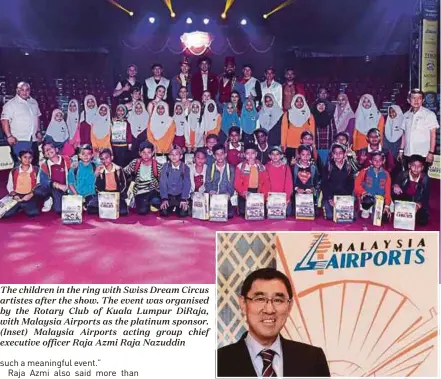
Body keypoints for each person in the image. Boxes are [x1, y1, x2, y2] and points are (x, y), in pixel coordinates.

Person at [217, 268, 330, 377]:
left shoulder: (313, 359)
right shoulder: (216, 363)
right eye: (260, 299)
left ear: (289, 306)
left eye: (278, 300)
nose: (269, 310)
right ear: (243, 304)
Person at [1, 82, 42, 166]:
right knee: (19, 166)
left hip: (33, 140)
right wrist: (9, 136)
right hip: (18, 140)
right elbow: (4, 120)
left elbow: (37, 117)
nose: (25, 92)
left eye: (27, 90)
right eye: (22, 90)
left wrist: (38, 131)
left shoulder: (34, 102)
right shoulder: (10, 104)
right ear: (17, 90)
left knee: (34, 165)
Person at [399, 89, 439, 172]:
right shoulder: (405, 115)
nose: (416, 101)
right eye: (413, 98)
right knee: (408, 178)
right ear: (409, 100)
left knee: (421, 180)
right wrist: (401, 150)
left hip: (423, 154)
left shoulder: (429, 114)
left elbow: (433, 135)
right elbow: (404, 134)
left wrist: (431, 153)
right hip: (408, 153)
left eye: (419, 98)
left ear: (423, 100)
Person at [124, 141, 162, 215]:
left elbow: (163, 181)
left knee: (156, 203)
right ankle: (143, 203)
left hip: (153, 190)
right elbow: (123, 172)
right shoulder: (135, 163)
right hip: (140, 191)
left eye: (149, 152)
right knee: (142, 211)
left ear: (153, 152)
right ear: (139, 153)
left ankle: (152, 202)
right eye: (143, 153)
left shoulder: (157, 165)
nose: (146, 155)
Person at [393, 154, 430, 226]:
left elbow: (426, 196)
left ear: (422, 167)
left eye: (419, 166)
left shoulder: (425, 178)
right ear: (409, 166)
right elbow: (395, 183)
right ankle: (399, 209)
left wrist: (418, 205)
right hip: (405, 200)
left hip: (417, 201)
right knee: (394, 191)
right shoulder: (403, 174)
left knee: (422, 221)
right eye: (413, 165)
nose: (416, 168)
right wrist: (396, 185)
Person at [321, 143, 356, 220]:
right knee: (330, 216)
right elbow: (324, 184)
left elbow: (351, 184)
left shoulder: (349, 166)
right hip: (331, 196)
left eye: (340, 153)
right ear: (332, 155)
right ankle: (326, 205)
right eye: (335, 153)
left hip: (344, 196)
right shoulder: (328, 167)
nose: (338, 155)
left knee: (351, 217)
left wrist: (344, 199)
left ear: (344, 154)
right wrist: (329, 198)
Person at [36, 141, 72, 214]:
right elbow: (43, 181)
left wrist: (70, 188)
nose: (48, 151)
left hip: (68, 188)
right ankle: (49, 198)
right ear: (44, 155)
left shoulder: (67, 160)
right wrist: (57, 185)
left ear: (56, 149)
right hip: (55, 188)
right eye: (46, 150)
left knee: (62, 209)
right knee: (38, 190)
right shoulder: (44, 165)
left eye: (50, 148)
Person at [90, 148, 129, 216]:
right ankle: (107, 207)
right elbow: (96, 186)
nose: (105, 160)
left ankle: (109, 207)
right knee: (91, 208)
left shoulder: (118, 169)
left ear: (112, 157)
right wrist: (96, 175)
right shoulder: (100, 170)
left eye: (106, 158)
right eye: (102, 159)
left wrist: (118, 194)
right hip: (104, 194)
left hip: (117, 194)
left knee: (123, 212)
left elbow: (124, 184)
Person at [234, 143, 270, 217]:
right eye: (247, 153)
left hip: (258, 191)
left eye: (252, 153)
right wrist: (243, 192)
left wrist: (263, 194)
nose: (250, 156)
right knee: (243, 212)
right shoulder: (240, 167)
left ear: (256, 154)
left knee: (261, 213)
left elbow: (266, 182)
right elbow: (237, 183)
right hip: (245, 192)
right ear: (244, 154)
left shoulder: (262, 167)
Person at [354, 151, 392, 221]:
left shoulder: (386, 174)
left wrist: (387, 205)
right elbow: (356, 185)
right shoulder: (365, 171)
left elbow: (387, 191)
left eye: (380, 160)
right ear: (370, 161)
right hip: (367, 198)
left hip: (380, 200)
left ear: (383, 161)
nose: (377, 162)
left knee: (384, 219)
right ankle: (365, 209)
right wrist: (363, 192)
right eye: (375, 160)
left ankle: (375, 210)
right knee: (367, 202)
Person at [3, 149, 40, 218]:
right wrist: (14, 195)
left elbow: (38, 184)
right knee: (6, 214)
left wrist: (31, 194)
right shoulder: (14, 171)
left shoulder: (36, 170)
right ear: (20, 158)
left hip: (29, 195)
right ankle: (19, 206)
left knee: (33, 213)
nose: (27, 159)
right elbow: (9, 186)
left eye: (30, 157)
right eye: (25, 157)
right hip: (17, 195)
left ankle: (22, 206)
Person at [281, 94, 315, 164]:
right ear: (293, 102)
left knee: (304, 168)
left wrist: (313, 145)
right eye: (297, 101)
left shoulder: (309, 115)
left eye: (301, 101)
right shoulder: (287, 114)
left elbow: (312, 132)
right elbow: (284, 131)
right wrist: (283, 145)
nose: (299, 103)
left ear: (304, 102)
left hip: (305, 146)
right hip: (291, 146)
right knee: (291, 167)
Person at [204, 143, 235, 219]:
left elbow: (231, 184)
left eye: (222, 154)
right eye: (217, 154)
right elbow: (207, 182)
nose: (220, 156)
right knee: (207, 213)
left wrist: (229, 194)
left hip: (224, 196)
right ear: (214, 156)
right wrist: (210, 190)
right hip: (213, 195)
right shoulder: (210, 168)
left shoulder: (231, 168)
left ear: (225, 154)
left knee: (230, 214)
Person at [159, 145, 191, 217]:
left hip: (180, 195)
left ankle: (180, 206)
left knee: (183, 214)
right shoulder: (165, 167)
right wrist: (164, 198)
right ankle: (170, 206)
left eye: (176, 154)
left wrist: (183, 199)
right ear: (169, 156)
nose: (174, 156)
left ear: (181, 156)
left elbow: (187, 184)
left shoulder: (185, 168)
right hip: (169, 195)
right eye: (172, 154)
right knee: (164, 213)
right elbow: (162, 183)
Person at [67, 144, 97, 213]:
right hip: (76, 194)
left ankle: (85, 205)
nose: (86, 156)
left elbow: (105, 164)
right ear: (79, 156)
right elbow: (70, 183)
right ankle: (81, 204)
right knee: (72, 210)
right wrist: (77, 196)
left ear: (92, 155)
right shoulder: (74, 167)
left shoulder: (95, 166)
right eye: (83, 154)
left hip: (89, 194)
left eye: (88, 154)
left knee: (93, 210)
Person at [292, 144, 321, 214]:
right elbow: (291, 182)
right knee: (294, 212)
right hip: (298, 193)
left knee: (315, 213)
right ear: (299, 155)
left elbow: (318, 182)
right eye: (303, 155)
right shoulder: (294, 167)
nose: (305, 157)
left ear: (311, 156)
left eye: (308, 155)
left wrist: (312, 190)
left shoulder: (313, 167)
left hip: (310, 194)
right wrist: (296, 189)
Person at [265, 145, 293, 215]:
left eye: (277, 154)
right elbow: (265, 183)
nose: (275, 156)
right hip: (270, 197)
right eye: (273, 154)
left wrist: (287, 199)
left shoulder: (286, 168)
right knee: (268, 213)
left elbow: (289, 185)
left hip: (283, 197)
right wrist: (267, 198)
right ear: (269, 156)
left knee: (288, 213)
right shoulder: (266, 167)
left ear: (281, 156)